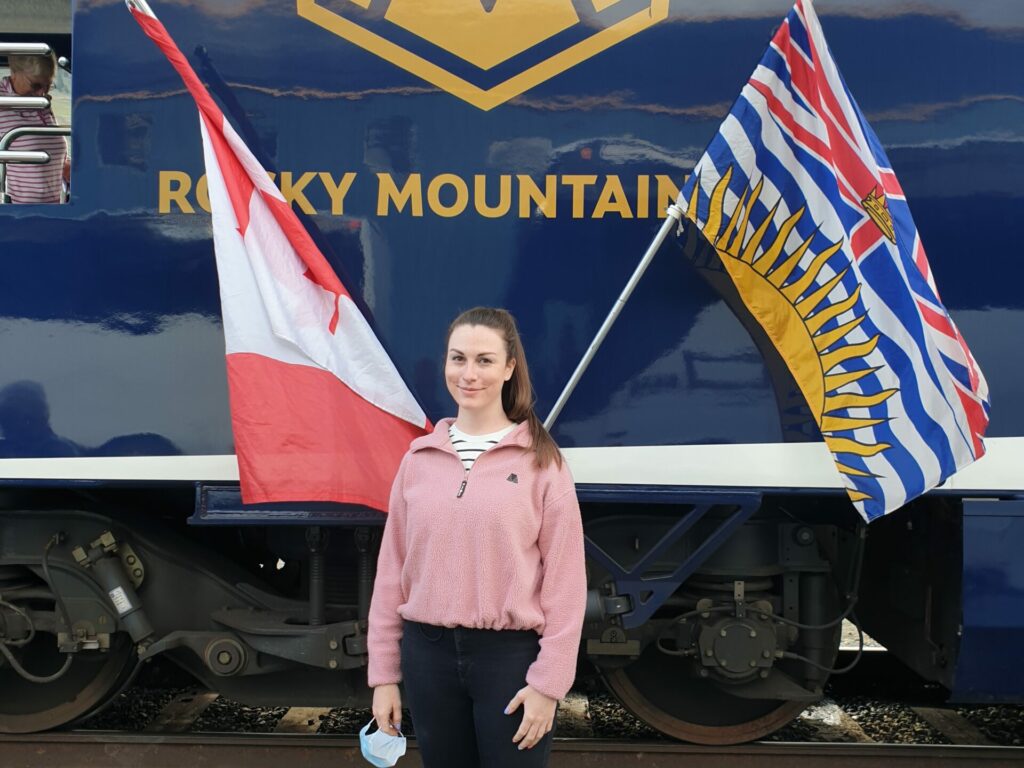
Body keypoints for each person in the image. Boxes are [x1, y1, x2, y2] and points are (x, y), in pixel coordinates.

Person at [367, 307, 587, 768]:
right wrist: (384, 675)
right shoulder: (418, 460)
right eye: (458, 359)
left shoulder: (542, 463)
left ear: (509, 368)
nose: (469, 374)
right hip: (428, 659)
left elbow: (566, 584)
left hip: (508, 661)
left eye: (484, 360)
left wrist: (549, 684)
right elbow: (392, 574)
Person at [0, 52, 69, 203]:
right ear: (14, 73)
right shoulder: (2, 100)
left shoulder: (40, 102)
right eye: (36, 85)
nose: (42, 93)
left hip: (54, 209)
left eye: (48, 85)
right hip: (19, 214)